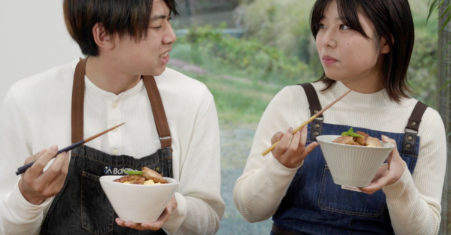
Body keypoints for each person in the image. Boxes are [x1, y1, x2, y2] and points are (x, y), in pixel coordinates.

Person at [0, 0, 224, 234]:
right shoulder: (27, 100)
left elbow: (208, 223)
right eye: (157, 26)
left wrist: (173, 208)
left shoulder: (193, 99)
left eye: (169, 20)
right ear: (104, 35)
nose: (171, 36)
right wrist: (28, 198)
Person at [233, 0, 447, 234]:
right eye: (322, 25)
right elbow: (249, 210)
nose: (326, 40)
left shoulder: (422, 123)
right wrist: (281, 166)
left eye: (345, 26)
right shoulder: (294, 101)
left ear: (386, 41)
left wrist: (398, 183)